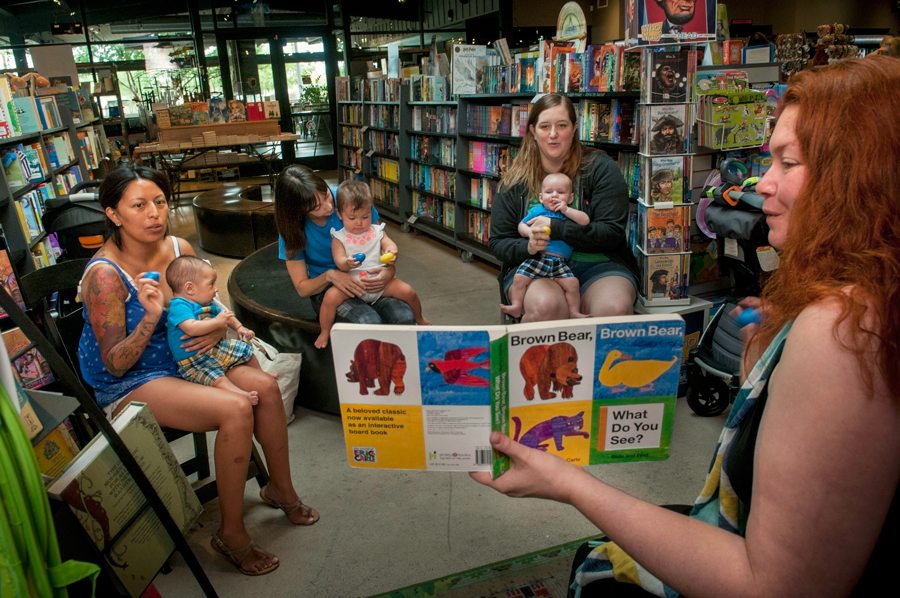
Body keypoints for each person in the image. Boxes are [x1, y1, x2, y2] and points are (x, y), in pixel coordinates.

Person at [473, 57, 899, 596]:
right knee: (541, 306)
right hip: (541, 270)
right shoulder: (865, 304)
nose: (762, 183)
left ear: (863, 176)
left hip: (736, 560)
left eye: (787, 162)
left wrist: (569, 484)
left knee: (595, 567)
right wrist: (770, 370)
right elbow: (499, 242)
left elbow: (774, 584)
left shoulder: (843, 329)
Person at [78, 164, 318, 578]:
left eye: (159, 202)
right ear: (114, 214)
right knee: (235, 409)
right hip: (134, 377)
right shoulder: (105, 276)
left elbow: (205, 303)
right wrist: (153, 318)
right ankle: (231, 533)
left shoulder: (177, 248)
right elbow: (114, 361)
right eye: (139, 205)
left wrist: (214, 328)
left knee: (265, 384)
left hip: (186, 357)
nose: (154, 213)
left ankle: (281, 488)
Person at [490, 93, 638, 322]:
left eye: (562, 125)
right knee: (546, 306)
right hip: (535, 267)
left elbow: (610, 232)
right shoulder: (514, 181)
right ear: (532, 131)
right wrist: (528, 246)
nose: (553, 135)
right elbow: (499, 241)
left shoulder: (600, 167)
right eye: (544, 126)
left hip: (598, 264)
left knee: (614, 308)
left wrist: (555, 228)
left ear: (574, 128)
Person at [273, 165, 415, 329]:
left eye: (326, 195)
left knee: (404, 318)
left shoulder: (347, 198)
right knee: (368, 323)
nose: (328, 207)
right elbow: (302, 288)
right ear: (297, 211)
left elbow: (379, 239)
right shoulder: (292, 230)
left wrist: (389, 270)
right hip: (330, 290)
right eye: (316, 207)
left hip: (369, 279)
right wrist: (330, 276)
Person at [315, 180, 429, 348]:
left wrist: (391, 253)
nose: (359, 223)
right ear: (340, 214)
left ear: (371, 212)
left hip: (381, 283)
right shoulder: (339, 237)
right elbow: (339, 261)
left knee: (409, 292)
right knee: (330, 298)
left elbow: (390, 244)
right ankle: (325, 331)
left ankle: (420, 319)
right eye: (352, 217)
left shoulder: (377, 231)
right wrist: (347, 263)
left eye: (365, 216)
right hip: (354, 286)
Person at [164, 255, 262, 405]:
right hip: (193, 360)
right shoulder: (179, 305)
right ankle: (242, 395)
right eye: (211, 285)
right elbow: (191, 328)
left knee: (245, 349)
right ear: (190, 288)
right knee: (217, 379)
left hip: (214, 349)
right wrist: (217, 322)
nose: (216, 289)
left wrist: (239, 327)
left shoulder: (203, 303)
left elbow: (226, 316)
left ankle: (261, 375)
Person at [501, 172, 590, 319]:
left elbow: (585, 221)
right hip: (538, 258)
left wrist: (567, 210)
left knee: (573, 284)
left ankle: (574, 312)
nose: (554, 195)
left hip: (560, 262)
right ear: (541, 197)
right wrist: (530, 233)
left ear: (570, 198)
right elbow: (521, 225)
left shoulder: (569, 214)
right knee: (519, 279)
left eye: (561, 192)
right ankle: (516, 306)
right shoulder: (538, 211)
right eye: (549, 192)